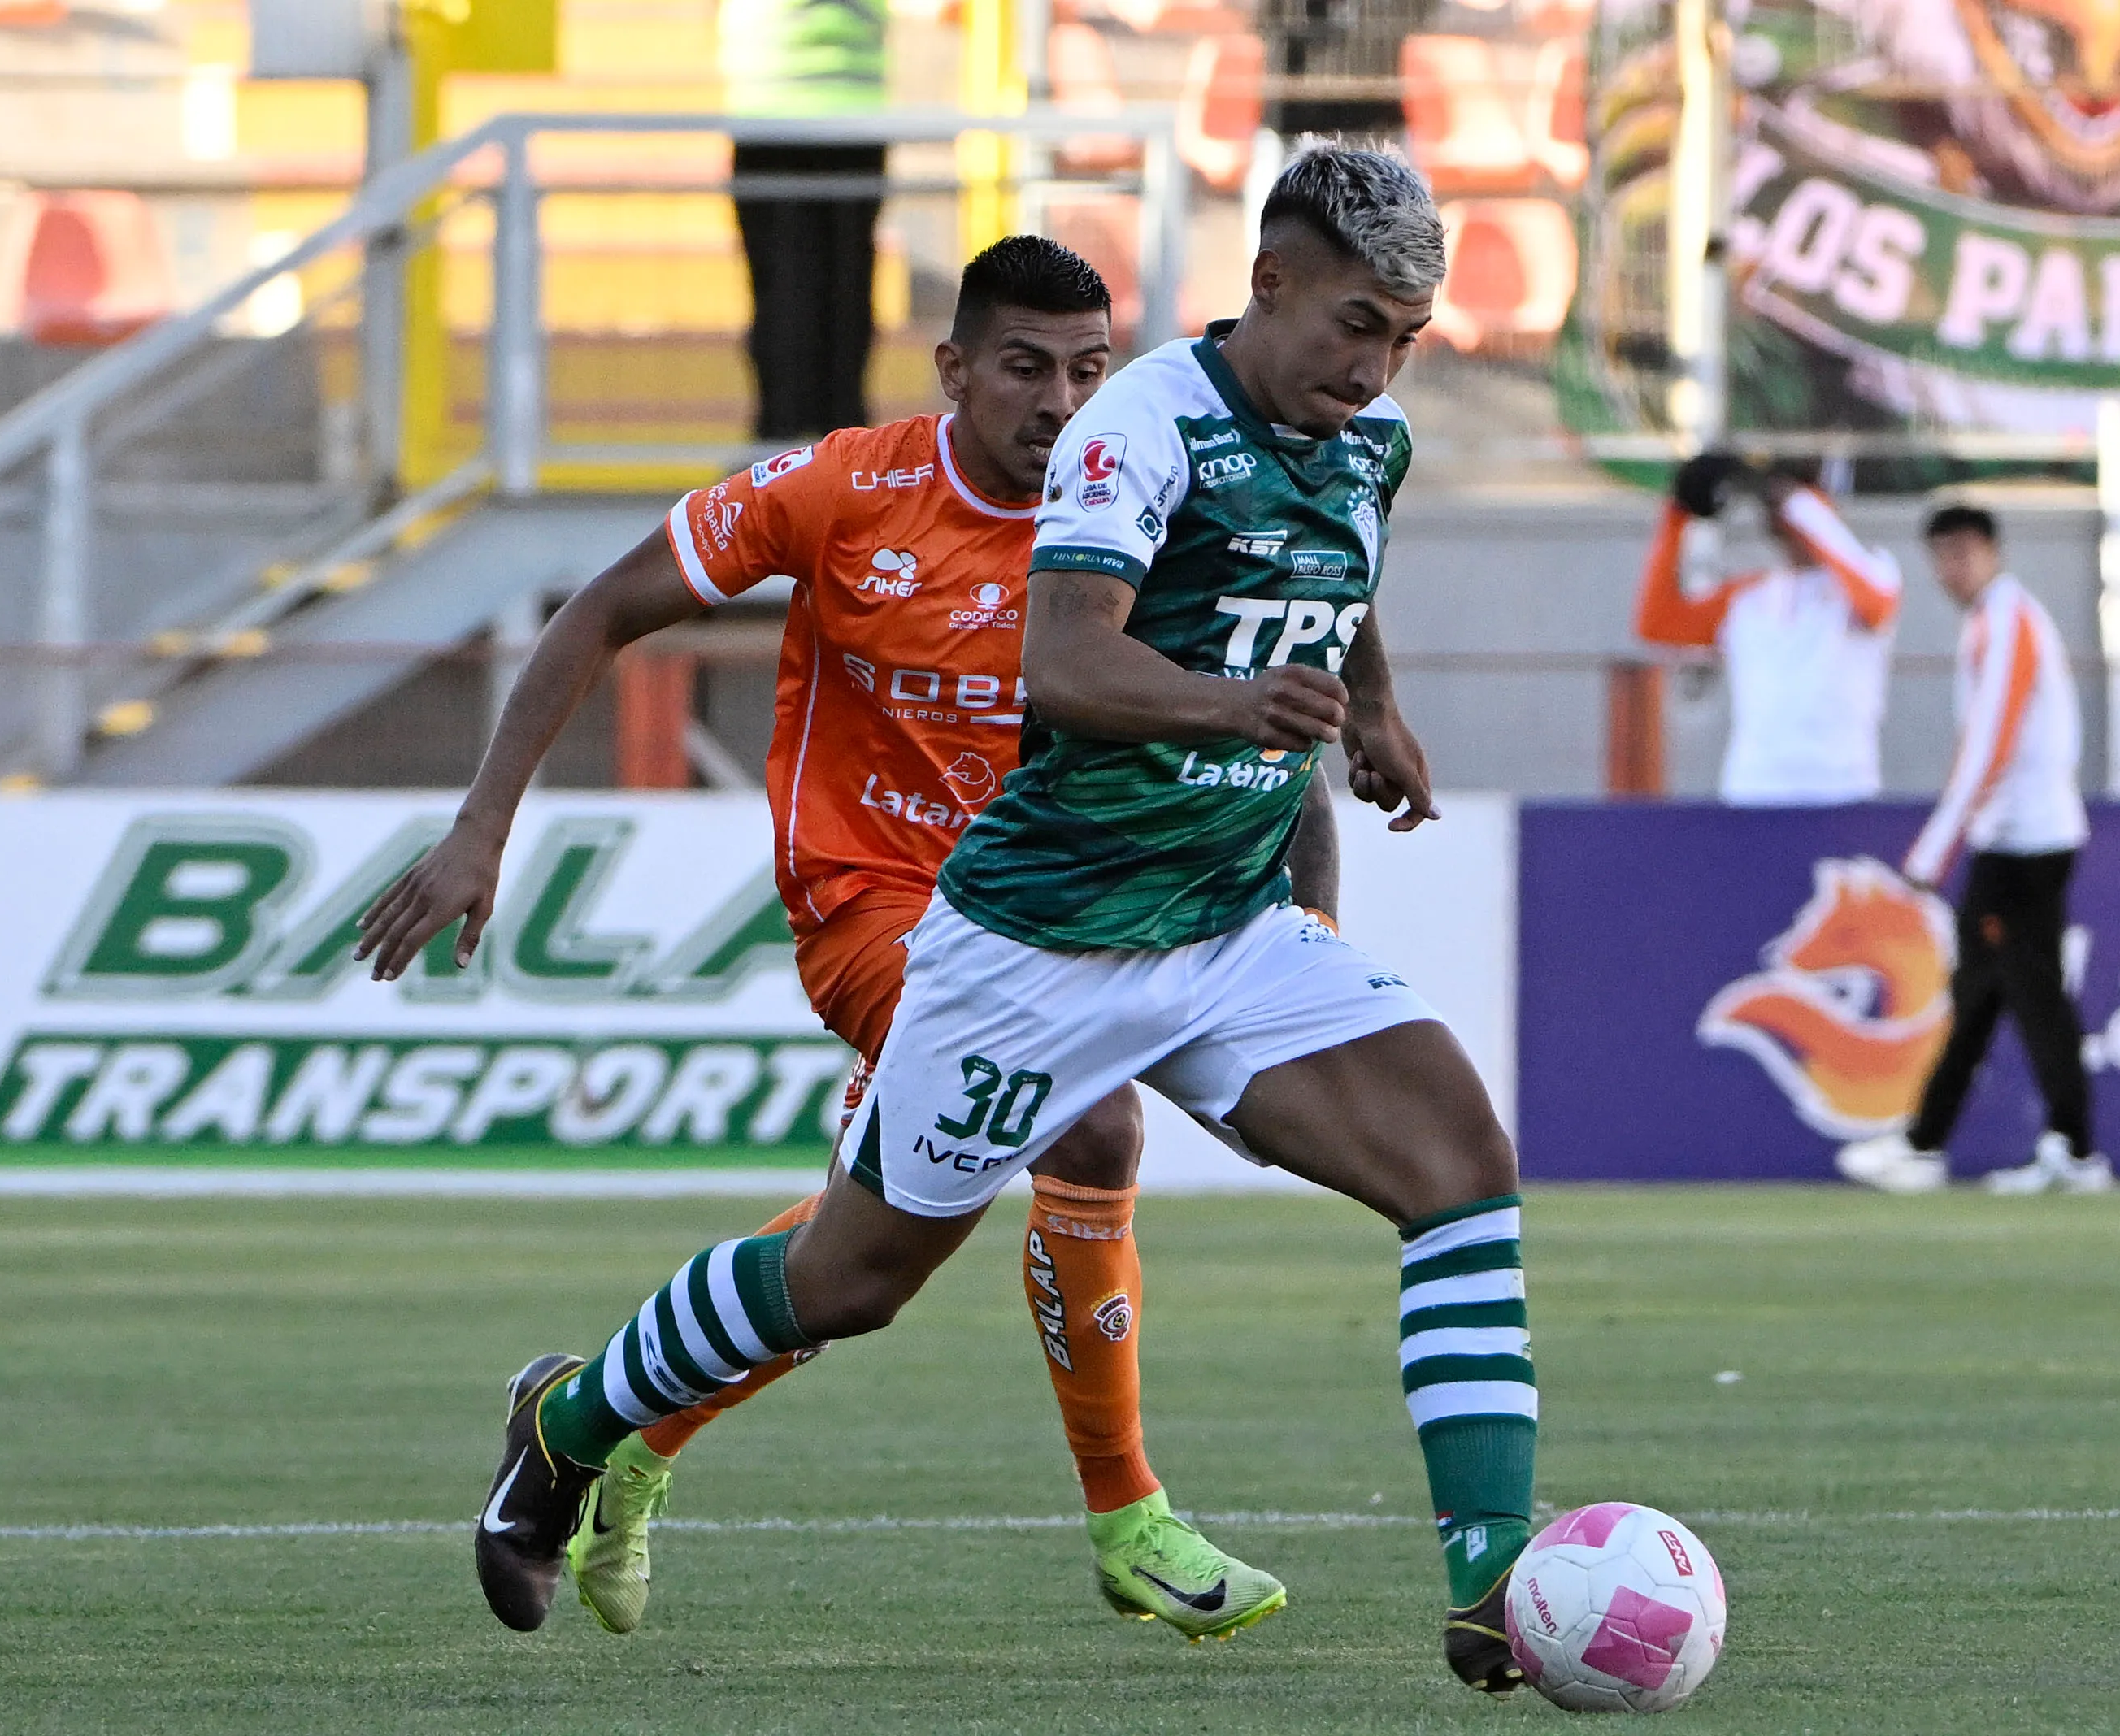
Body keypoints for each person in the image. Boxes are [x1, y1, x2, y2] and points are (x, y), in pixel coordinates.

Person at [450, 146, 1542, 1695]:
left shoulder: (1364, 442)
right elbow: (1063, 665)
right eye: (1356, 326)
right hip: (1028, 946)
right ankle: (568, 1424)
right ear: (1270, 284)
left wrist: (1372, 711)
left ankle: (1492, 1581)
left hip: (1218, 927)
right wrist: (1244, 704)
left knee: (1458, 1166)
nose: (1375, 369)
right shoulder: (1138, 431)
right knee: (850, 1281)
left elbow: (1338, 575)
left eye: (1406, 340)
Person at [358, 237, 1308, 1642]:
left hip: (1053, 903)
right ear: (955, 370)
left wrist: (1301, 912)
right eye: (1025, 368)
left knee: (871, 1253)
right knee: (1090, 1129)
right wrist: (483, 828)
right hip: (871, 900)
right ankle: (1127, 1518)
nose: (1059, 400)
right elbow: (608, 605)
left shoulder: (1138, 514)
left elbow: (1273, 703)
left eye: (1086, 371)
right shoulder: (845, 489)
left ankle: (598, 1424)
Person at [1835, 503, 2110, 1197]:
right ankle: (1926, 1142)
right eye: (1943, 555)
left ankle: (2074, 1151)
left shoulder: (2008, 621)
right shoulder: (1990, 623)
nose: (1953, 569)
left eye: (1965, 552)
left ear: (1993, 551)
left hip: (2024, 842)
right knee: (1980, 998)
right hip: (2009, 839)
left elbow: (1991, 740)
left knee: (2033, 997)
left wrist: (1933, 852)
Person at [1633, 451, 1902, 805]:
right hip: (1754, 793)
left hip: (1843, 793)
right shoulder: (1748, 598)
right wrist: (1678, 513)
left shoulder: (1873, 573)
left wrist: (1798, 502)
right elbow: (1657, 623)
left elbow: (1875, 603)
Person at [721, 0, 888, 438]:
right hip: (845, 115)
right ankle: (843, 457)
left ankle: (780, 453)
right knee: (843, 292)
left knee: (786, 294)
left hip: (773, 110)